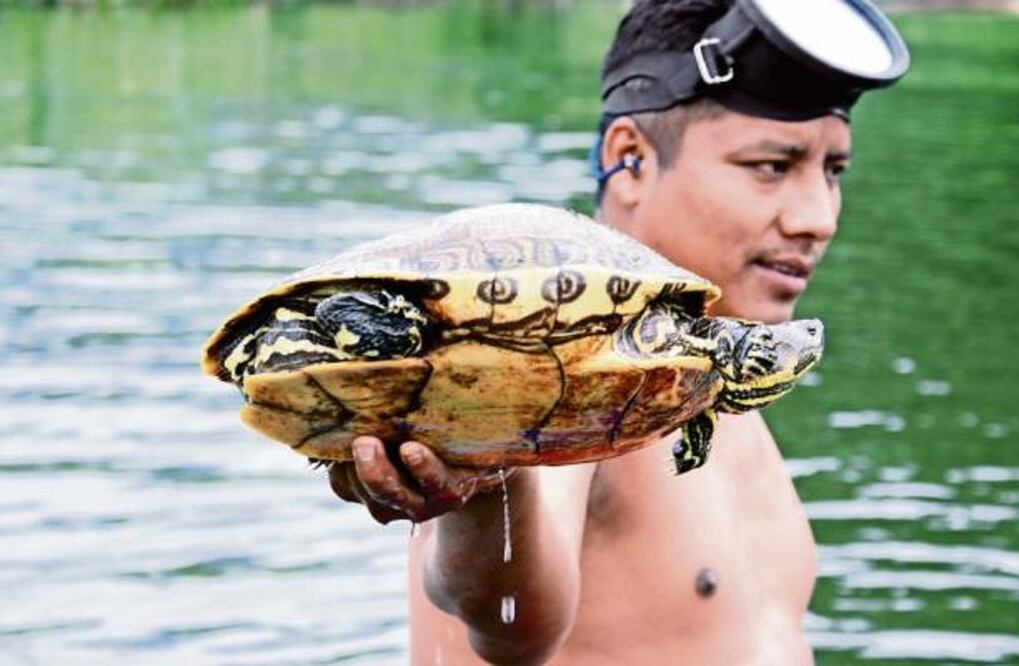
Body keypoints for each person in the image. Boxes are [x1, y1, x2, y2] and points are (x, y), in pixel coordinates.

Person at [327, 1, 909, 663]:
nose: (818, 218)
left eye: (833, 171)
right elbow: (513, 626)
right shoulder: (569, 366)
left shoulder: (710, 365)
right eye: (772, 166)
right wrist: (487, 485)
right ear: (628, 159)